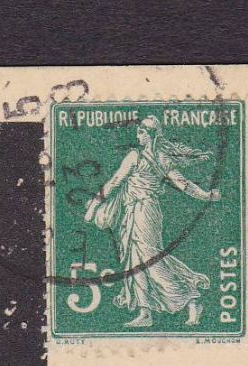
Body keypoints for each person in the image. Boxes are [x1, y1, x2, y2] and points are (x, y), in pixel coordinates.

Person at [83, 115, 221, 328]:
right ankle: (145, 311)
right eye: (138, 132)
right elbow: (114, 182)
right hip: (131, 212)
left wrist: (206, 196)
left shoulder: (147, 157)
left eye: (141, 132)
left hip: (146, 212)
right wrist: (94, 206)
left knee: (149, 258)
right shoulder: (144, 156)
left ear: (151, 135)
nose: (138, 135)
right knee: (134, 260)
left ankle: (191, 298)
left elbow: (183, 184)